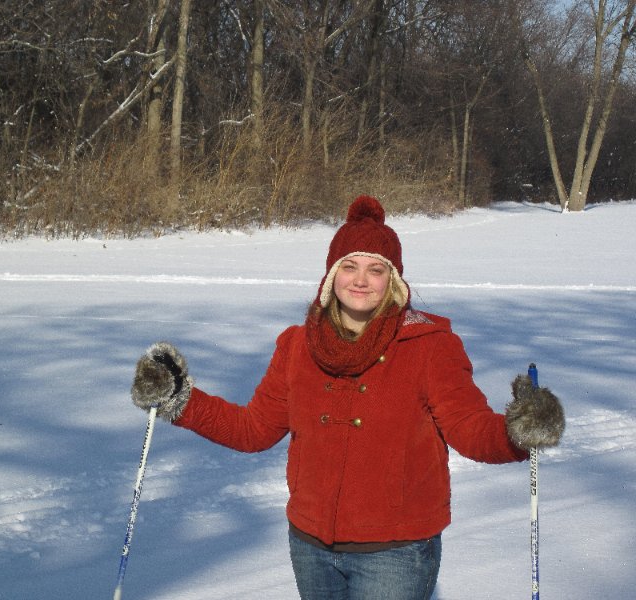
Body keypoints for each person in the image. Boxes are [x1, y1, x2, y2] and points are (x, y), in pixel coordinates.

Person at [130, 195, 565, 600]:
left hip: (394, 553)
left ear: (392, 280)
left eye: (375, 270)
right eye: (349, 266)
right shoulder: (297, 346)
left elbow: (468, 428)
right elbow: (254, 429)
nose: (361, 280)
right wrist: (179, 399)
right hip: (310, 542)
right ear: (330, 273)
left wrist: (517, 431)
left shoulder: (429, 346)